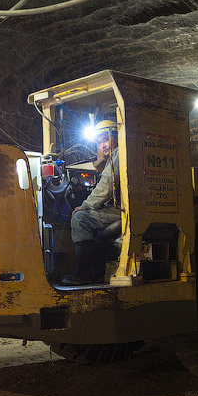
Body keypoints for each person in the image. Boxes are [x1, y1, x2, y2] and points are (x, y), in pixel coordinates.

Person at [61, 119, 121, 285]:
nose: (103, 145)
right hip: (124, 209)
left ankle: (82, 274)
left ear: (116, 136)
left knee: (80, 219)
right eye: (100, 141)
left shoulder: (118, 155)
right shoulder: (117, 157)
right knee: (93, 227)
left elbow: (104, 188)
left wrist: (84, 206)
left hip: (123, 211)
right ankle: (99, 274)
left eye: (106, 139)